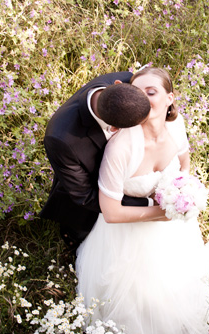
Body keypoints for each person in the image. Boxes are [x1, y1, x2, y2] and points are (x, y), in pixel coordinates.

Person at [75, 67, 209, 334]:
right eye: (137, 93)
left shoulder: (176, 127)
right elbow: (111, 213)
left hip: (169, 224)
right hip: (127, 230)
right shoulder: (122, 146)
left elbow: (183, 164)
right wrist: (165, 213)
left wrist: (181, 191)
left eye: (151, 92)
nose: (143, 99)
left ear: (170, 98)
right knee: (135, 298)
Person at [41, 71, 165, 251]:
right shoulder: (61, 139)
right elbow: (84, 195)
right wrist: (147, 202)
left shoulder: (126, 79)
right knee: (85, 238)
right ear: (115, 129)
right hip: (90, 193)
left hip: (126, 175)